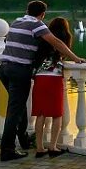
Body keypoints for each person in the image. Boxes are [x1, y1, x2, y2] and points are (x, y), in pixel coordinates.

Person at [0, 0, 86, 162]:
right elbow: (56, 42)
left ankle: (23, 139)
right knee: (14, 111)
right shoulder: (37, 25)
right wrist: (75, 58)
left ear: (27, 10)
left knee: (18, 107)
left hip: (4, 68)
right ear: (42, 14)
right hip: (19, 70)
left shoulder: (16, 21)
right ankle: (7, 149)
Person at [31, 17, 72, 157]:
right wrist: (77, 59)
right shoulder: (62, 40)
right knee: (56, 114)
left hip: (40, 78)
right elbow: (63, 53)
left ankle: (39, 148)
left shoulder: (43, 38)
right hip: (54, 79)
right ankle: (53, 147)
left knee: (40, 114)